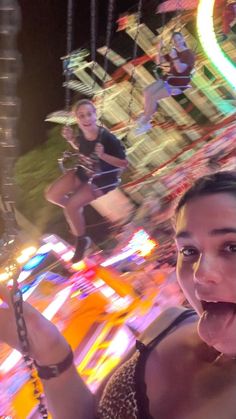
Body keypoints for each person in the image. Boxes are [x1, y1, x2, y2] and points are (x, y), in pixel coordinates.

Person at [1, 170, 236, 418]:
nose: (200, 273)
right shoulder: (168, 324)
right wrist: (51, 353)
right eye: (189, 251)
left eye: (232, 246)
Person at [45, 99, 128, 263]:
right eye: (81, 116)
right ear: (77, 119)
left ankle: (82, 239)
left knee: (71, 207)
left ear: (95, 115)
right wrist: (70, 139)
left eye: (89, 114)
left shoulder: (108, 138)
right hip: (84, 172)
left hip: (103, 179)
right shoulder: (82, 134)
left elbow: (124, 164)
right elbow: (80, 146)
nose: (86, 119)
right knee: (51, 195)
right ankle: (76, 211)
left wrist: (103, 155)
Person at [135, 32, 195, 135]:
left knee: (154, 97)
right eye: (175, 41)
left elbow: (180, 69)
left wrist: (175, 57)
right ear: (172, 42)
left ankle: (146, 122)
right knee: (147, 92)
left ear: (183, 39)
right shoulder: (174, 52)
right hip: (169, 78)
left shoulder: (188, 54)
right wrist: (158, 49)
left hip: (178, 83)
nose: (177, 42)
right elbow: (159, 62)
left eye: (179, 39)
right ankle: (146, 115)